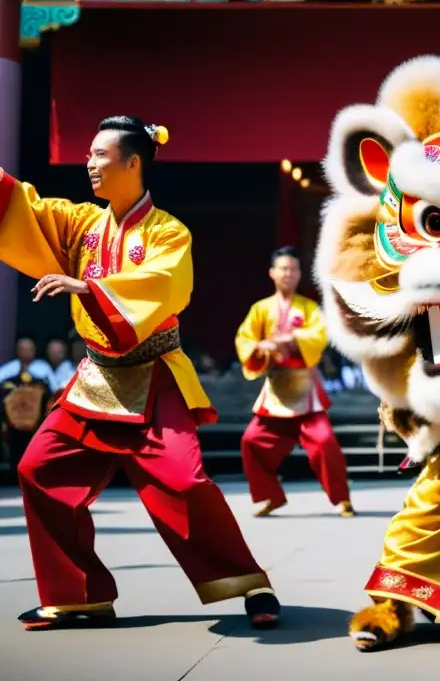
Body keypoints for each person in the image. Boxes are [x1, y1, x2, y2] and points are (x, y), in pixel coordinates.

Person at [0, 116, 280, 630]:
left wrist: (88, 288)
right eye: (88, 154)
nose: (89, 163)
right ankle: (77, 593)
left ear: (133, 162)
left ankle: (249, 583)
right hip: (96, 378)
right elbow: (24, 207)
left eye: (100, 155)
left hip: (154, 374)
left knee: (185, 481)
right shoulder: (83, 223)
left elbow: (162, 285)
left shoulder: (168, 232)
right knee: (38, 470)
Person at [236, 245, 353, 517]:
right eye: (283, 268)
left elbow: (320, 335)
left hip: (305, 390)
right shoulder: (261, 309)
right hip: (276, 391)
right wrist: (261, 346)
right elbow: (245, 338)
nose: (288, 273)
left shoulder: (309, 308)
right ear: (272, 273)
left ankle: (342, 499)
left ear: (300, 274)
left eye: (293, 269)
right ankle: (270, 495)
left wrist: (293, 338)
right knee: (251, 441)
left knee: (325, 443)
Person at [1, 337, 53, 471]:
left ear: (34, 350)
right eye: (22, 349)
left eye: (29, 349)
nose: (26, 352)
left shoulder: (43, 369)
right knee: (16, 451)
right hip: (13, 422)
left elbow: (51, 392)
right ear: (17, 350)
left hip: (36, 421)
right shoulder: (8, 370)